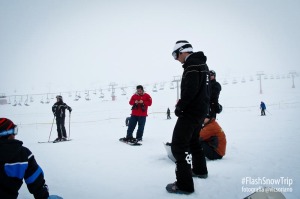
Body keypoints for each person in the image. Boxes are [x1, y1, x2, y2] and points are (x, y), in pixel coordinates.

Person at [166, 40, 210, 194]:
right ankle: (200, 170)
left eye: (175, 54)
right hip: (200, 112)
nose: (176, 59)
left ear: (183, 50)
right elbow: (204, 90)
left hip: (190, 112)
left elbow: (190, 90)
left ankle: (184, 185)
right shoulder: (203, 65)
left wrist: (180, 107)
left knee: (179, 147)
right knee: (193, 142)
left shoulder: (191, 66)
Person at [0, 118, 50, 199]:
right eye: (14, 130)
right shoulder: (23, 154)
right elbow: (36, 182)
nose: (15, 134)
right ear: (8, 133)